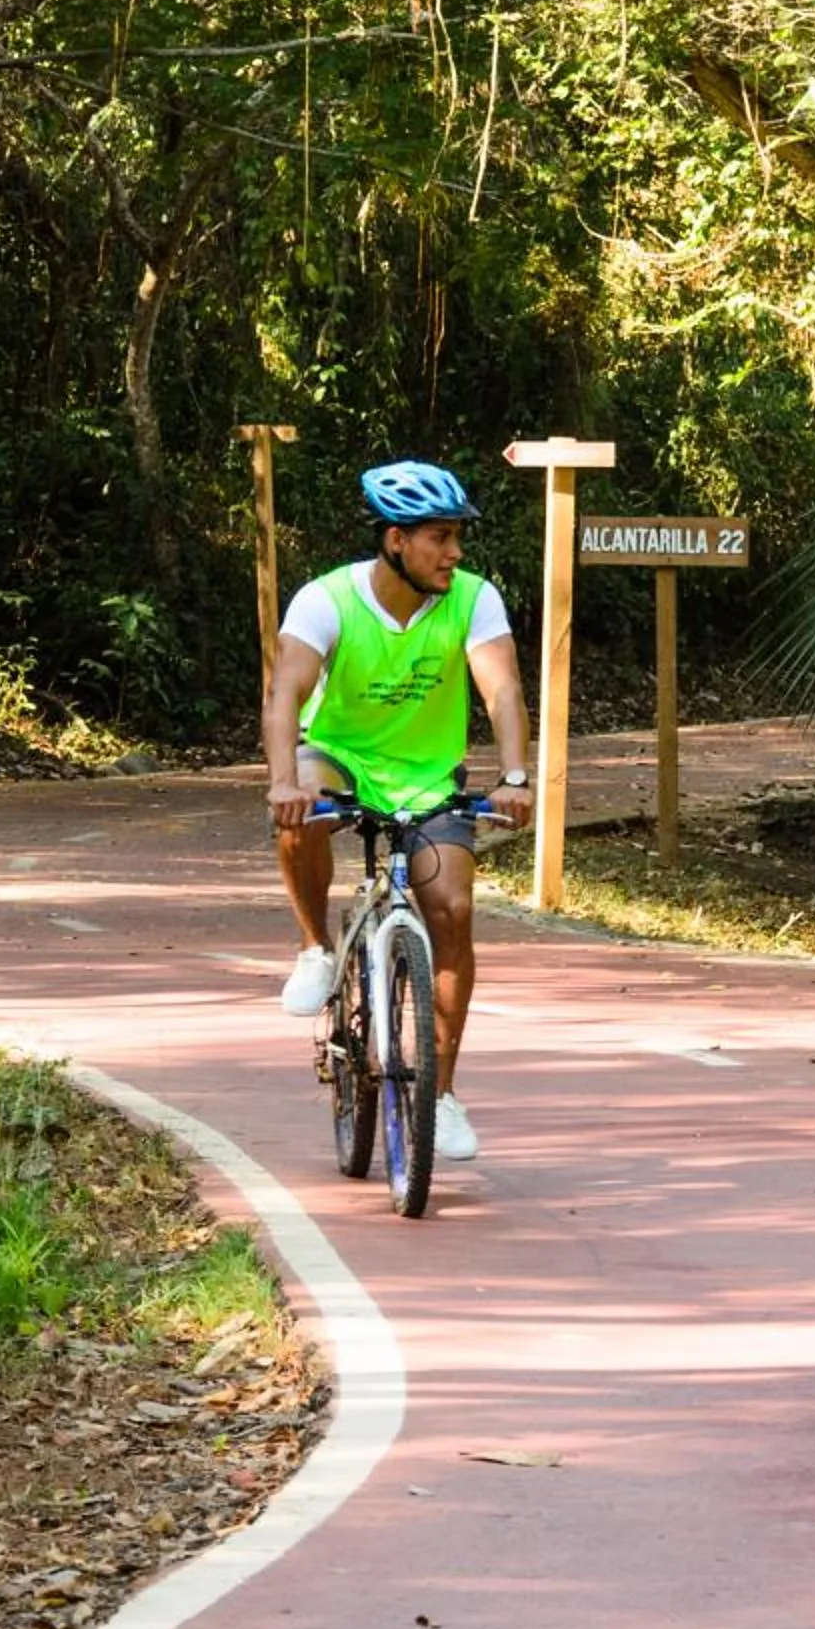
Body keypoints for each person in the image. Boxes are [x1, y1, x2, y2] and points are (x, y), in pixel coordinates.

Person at [265, 459, 533, 1163]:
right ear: (394, 541)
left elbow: (502, 692)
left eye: (456, 538)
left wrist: (513, 776)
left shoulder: (474, 600)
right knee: (304, 811)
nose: (455, 553)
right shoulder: (326, 600)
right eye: (440, 538)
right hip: (343, 754)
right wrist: (283, 780)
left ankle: (439, 1097)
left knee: (452, 910)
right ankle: (315, 949)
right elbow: (286, 694)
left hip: (426, 778)